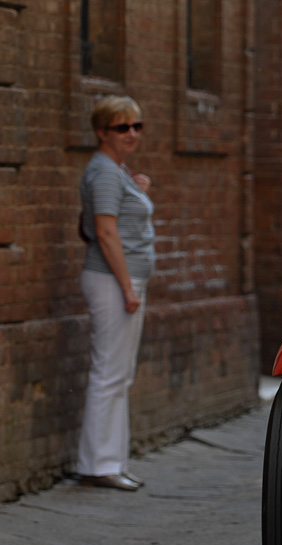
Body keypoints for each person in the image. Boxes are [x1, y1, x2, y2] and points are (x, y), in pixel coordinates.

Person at [76, 95, 155, 491]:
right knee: (110, 372)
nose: (131, 134)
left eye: (136, 126)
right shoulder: (105, 172)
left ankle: (110, 461)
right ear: (101, 131)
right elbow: (105, 232)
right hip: (112, 281)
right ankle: (99, 465)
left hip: (119, 281)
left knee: (118, 373)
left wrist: (136, 187)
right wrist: (127, 286)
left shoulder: (114, 171)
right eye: (122, 127)